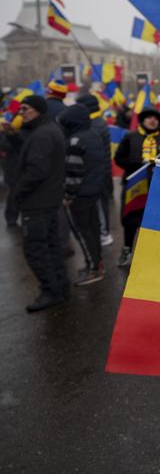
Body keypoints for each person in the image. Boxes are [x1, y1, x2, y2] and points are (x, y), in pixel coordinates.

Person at [13, 96, 69, 312]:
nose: (21, 112)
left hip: (37, 203)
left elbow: (36, 171)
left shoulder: (43, 134)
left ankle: (51, 291)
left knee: (36, 249)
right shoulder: (47, 129)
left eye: (25, 108)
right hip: (48, 201)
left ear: (37, 110)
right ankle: (60, 288)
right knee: (51, 247)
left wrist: (18, 192)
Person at [113, 107, 160, 267]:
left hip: (156, 187)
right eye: (149, 117)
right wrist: (138, 165)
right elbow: (119, 159)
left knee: (154, 221)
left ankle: (152, 252)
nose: (153, 120)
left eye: (156, 118)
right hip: (134, 186)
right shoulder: (130, 137)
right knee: (130, 219)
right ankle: (127, 249)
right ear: (142, 120)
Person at [61, 104, 107, 286]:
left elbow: (74, 172)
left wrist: (68, 196)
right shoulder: (94, 135)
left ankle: (94, 269)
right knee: (93, 229)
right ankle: (97, 262)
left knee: (82, 231)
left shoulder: (74, 141)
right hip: (93, 191)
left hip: (79, 195)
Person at [76, 93, 113, 247]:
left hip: (98, 172)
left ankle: (104, 234)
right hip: (100, 171)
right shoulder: (96, 122)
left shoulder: (95, 124)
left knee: (99, 205)